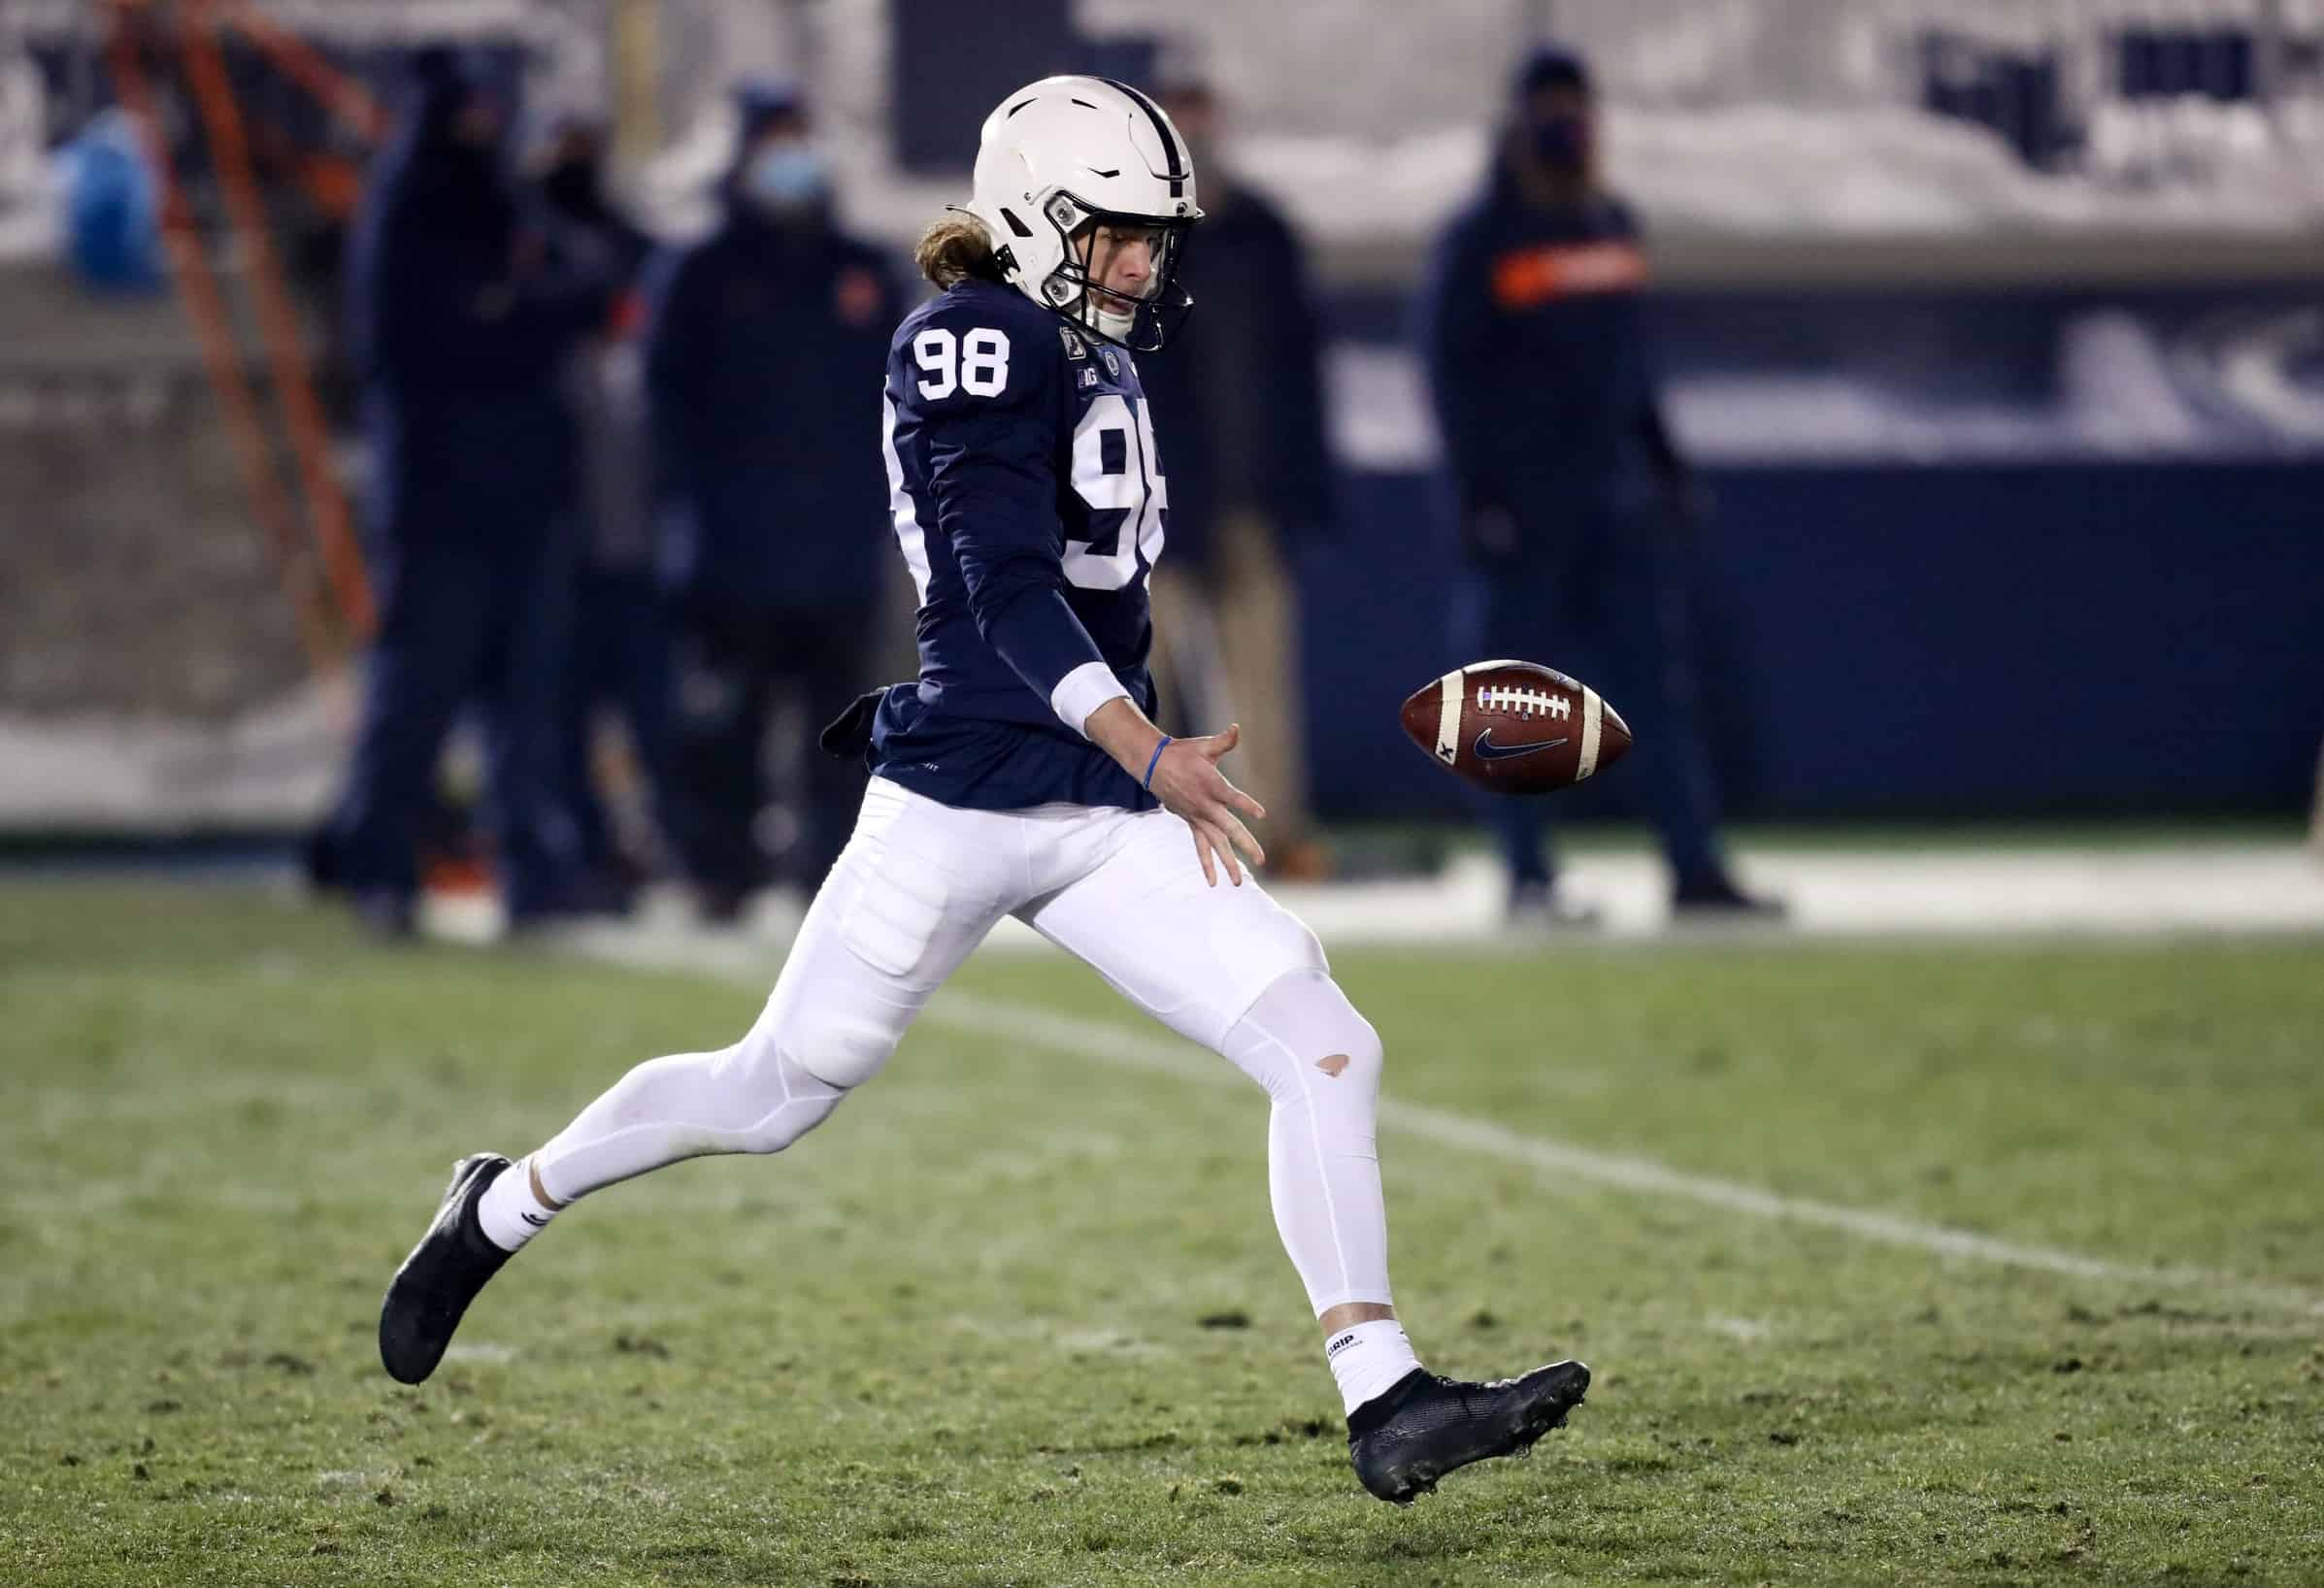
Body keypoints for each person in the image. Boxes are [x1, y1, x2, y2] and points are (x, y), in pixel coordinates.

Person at [379, 75, 1587, 1506]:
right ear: (1031, 217)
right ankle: (502, 1203)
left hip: (1099, 808)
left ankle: (1381, 1396)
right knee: (770, 1094)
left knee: (1325, 1045)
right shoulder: (971, 334)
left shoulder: (1089, 345)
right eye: (1116, 231)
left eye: (1155, 235)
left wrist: (1132, 759)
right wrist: (1149, 743)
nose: (1143, 262)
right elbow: (1000, 588)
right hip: (962, 800)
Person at [1418, 45, 1780, 926]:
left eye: (1576, 108)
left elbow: (1633, 369)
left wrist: (1662, 463)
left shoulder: (1609, 223)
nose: (1565, 126)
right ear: (1516, 121)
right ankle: (1528, 878)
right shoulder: (1481, 241)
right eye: (1549, 109)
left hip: (1614, 505)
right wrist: (1478, 496)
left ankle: (1695, 871)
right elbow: (1449, 376)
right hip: (1525, 508)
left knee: (1658, 692)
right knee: (1511, 700)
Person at [319, 49, 610, 937]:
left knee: (528, 702)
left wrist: (519, 308)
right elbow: (437, 340)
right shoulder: (411, 211)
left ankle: (533, 872)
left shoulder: (505, 205)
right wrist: (525, 312)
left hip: (526, 493)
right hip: (439, 500)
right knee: (418, 696)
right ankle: (380, 869)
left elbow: (582, 286)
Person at [645, 83, 902, 921]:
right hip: (733, 544)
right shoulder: (701, 272)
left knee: (842, 725)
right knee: (725, 723)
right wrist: (690, 512)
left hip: (838, 541)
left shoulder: (861, 271)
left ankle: (833, 872)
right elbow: (662, 408)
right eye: (775, 141)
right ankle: (719, 870)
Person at [1137, 73, 1335, 880]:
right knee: (1143, 678)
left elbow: (1298, 375)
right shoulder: (1121, 237)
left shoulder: (1262, 233)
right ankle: (1138, 837)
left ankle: (1272, 831)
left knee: (1259, 678)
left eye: (1202, 121)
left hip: (1246, 495)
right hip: (1147, 500)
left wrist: (1303, 488)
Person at [534, 117, 676, 904]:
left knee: (656, 719)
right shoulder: (544, 335)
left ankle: (662, 847)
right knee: (558, 722)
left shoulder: (639, 327)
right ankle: (580, 853)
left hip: (639, 558)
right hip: (563, 557)